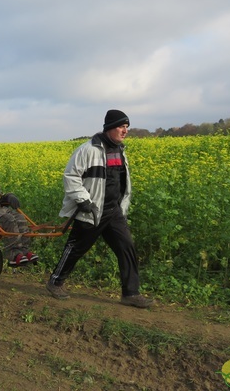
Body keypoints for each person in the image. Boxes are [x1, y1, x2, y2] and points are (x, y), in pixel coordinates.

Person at [45, 110, 153, 309]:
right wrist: (82, 199)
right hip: (92, 210)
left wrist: (122, 204)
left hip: (114, 211)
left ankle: (130, 293)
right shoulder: (88, 149)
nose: (125, 131)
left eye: (127, 127)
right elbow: (71, 176)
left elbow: (120, 181)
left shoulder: (120, 150)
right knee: (76, 248)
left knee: (126, 247)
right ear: (110, 127)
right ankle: (55, 281)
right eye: (122, 127)